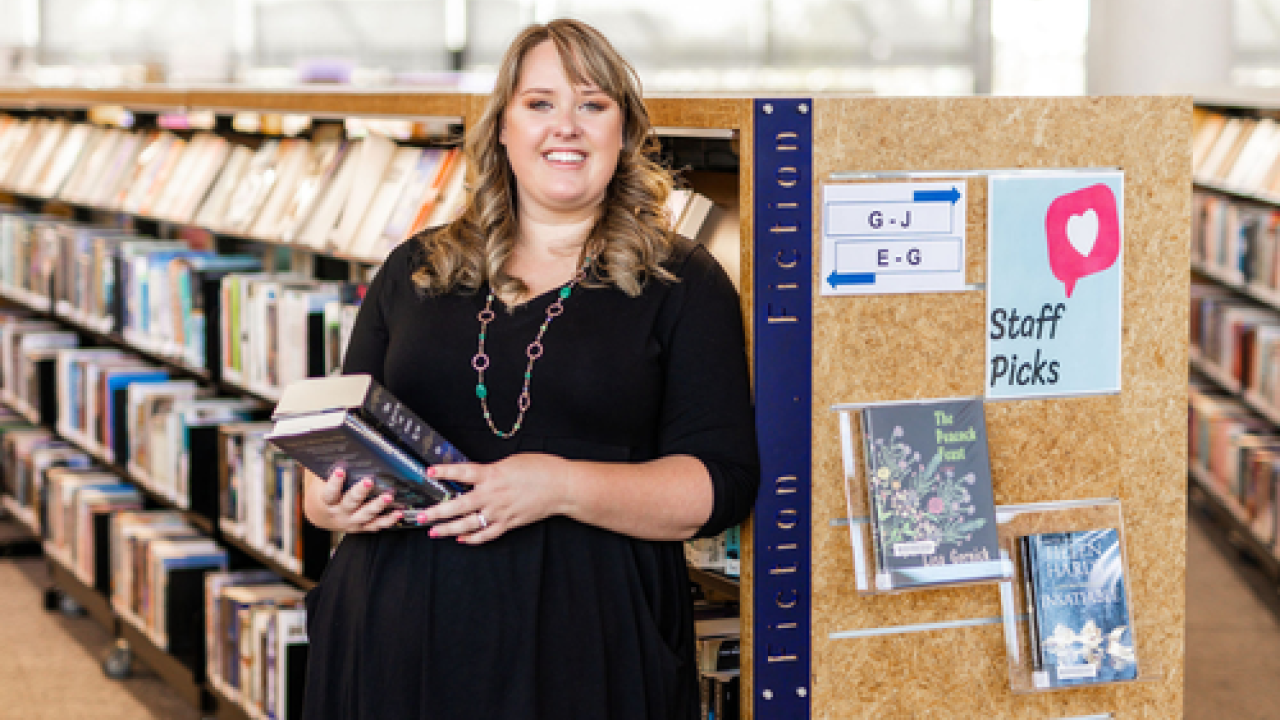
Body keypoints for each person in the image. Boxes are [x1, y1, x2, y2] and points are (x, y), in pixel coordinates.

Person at [301, 18, 759, 720]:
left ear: (623, 133)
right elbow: (334, 445)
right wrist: (327, 501)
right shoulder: (415, 268)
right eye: (540, 103)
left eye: (592, 104)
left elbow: (719, 486)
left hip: (589, 644)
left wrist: (560, 486)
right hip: (395, 638)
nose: (565, 126)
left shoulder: (682, 282)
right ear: (503, 129)